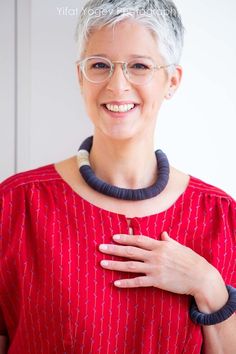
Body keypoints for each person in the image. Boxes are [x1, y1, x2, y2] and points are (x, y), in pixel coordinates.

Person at [0, 0, 235, 353]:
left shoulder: (220, 215)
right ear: (80, 76)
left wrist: (208, 284)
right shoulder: (16, 205)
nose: (117, 85)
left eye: (139, 66)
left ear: (172, 81)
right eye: (100, 65)